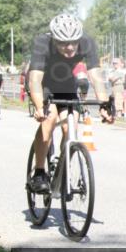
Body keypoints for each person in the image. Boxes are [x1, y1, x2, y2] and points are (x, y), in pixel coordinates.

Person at [27, 14, 113, 194]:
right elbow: (34, 80)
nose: (70, 47)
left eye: (74, 42)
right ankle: (40, 172)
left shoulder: (86, 42)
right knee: (49, 119)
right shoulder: (42, 43)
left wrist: (104, 104)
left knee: (70, 127)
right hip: (44, 85)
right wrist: (39, 107)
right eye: (63, 43)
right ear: (54, 39)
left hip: (66, 84)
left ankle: (63, 167)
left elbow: (95, 76)